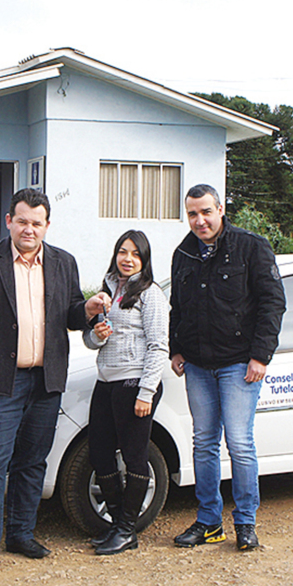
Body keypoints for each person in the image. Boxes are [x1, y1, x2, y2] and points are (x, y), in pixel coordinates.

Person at [0, 188, 110, 581]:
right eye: (22, 221)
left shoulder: (62, 262)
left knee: (33, 462)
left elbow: (70, 316)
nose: (29, 229)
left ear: (47, 226)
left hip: (46, 380)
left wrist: (86, 310)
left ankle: (21, 534)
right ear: (9, 221)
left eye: (37, 223)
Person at [169, 184, 285, 552]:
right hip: (198, 366)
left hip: (239, 364)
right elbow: (178, 307)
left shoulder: (251, 247)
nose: (199, 220)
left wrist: (261, 355)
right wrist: (176, 348)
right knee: (203, 443)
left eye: (205, 211)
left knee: (239, 443)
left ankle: (246, 523)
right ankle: (208, 522)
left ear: (220, 209)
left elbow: (272, 303)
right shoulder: (183, 253)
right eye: (192, 214)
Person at [83, 230, 169, 556]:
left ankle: (126, 529)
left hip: (134, 383)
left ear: (144, 260)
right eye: (123, 251)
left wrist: (146, 392)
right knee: (100, 453)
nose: (127, 258)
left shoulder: (151, 295)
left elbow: (159, 345)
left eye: (135, 253)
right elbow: (92, 341)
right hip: (106, 381)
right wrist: (97, 334)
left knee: (135, 456)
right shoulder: (108, 290)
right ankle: (119, 524)